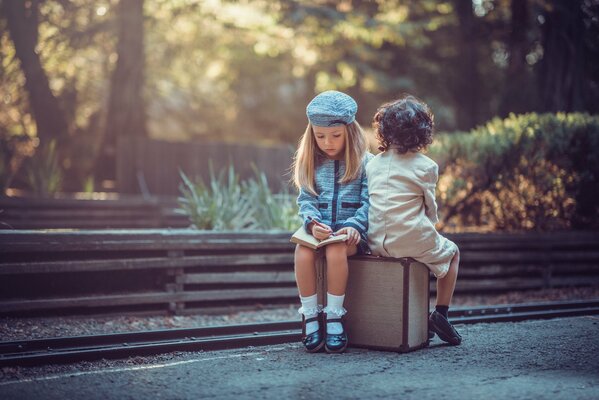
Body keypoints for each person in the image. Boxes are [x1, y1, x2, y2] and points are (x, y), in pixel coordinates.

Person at [366, 95, 462, 345]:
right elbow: (430, 208)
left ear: (384, 132)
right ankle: (440, 314)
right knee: (451, 253)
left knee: (421, 252)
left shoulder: (373, 165)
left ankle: (415, 320)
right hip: (410, 237)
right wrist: (432, 225)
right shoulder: (426, 166)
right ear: (423, 133)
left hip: (375, 240)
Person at [291, 90, 373, 353]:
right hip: (319, 233)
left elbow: (370, 201)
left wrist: (355, 226)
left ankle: (334, 316)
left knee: (335, 249)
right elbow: (306, 200)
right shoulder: (311, 164)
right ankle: (311, 314)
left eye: (335, 136)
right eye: (320, 135)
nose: (327, 142)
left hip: (351, 236)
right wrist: (313, 224)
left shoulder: (366, 164)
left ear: (349, 132)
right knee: (302, 251)